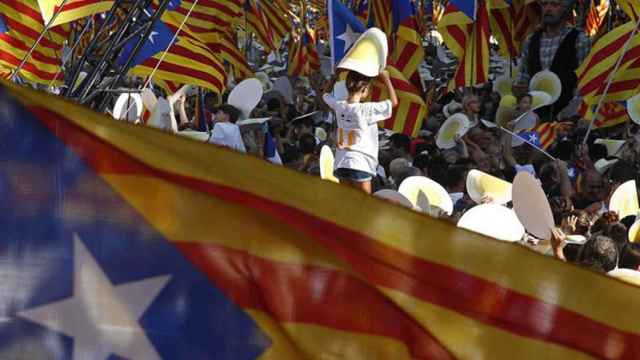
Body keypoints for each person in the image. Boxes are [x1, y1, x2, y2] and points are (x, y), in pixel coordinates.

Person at [322, 69, 398, 193]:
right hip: (360, 164)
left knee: (348, 205)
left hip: (341, 162)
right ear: (364, 90)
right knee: (364, 206)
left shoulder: (339, 105)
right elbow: (394, 103)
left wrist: (334, 76)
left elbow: (325, 95)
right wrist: (386, 79)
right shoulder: (366, 110)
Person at [514, 0, 591, 119]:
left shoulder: (579, 40)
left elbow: (584, 84)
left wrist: (569, 113)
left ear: (565, 9)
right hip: (534, 117)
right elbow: (523, 76)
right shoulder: (530, 41)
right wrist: (519, 89)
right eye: (544, 4)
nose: (548, 9)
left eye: (554, 4)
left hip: (566, 118)